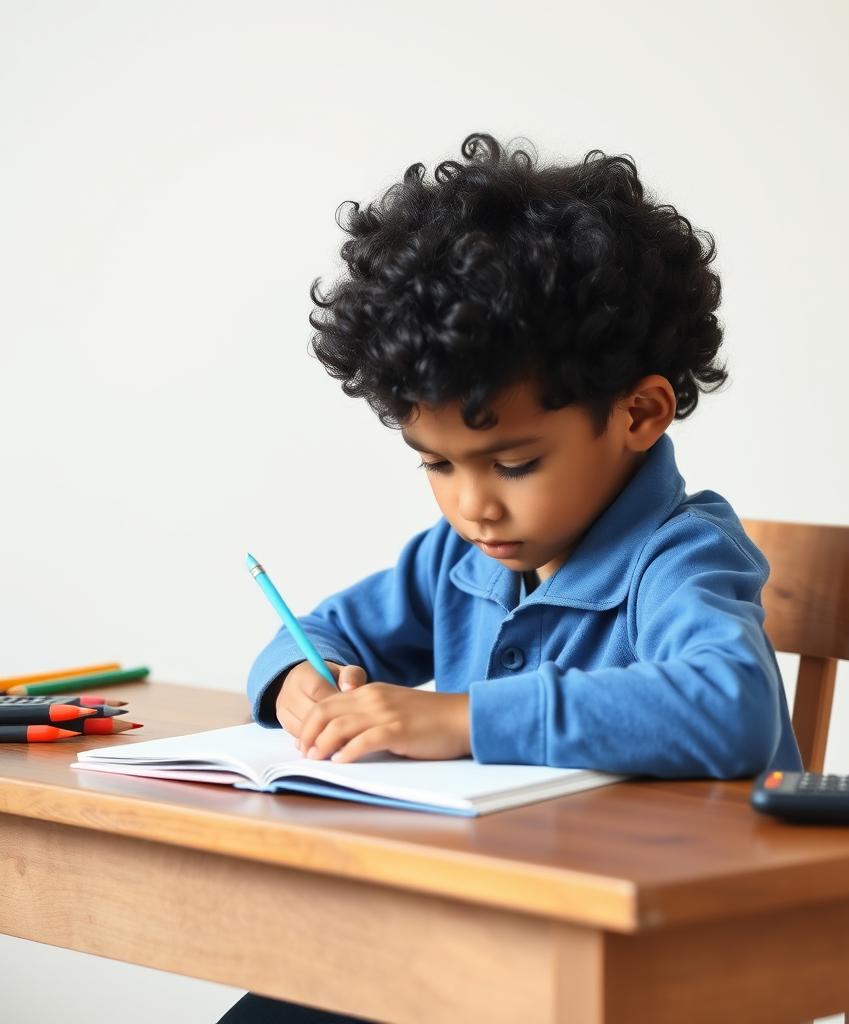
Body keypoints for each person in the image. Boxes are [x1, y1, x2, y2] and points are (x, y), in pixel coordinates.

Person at [217, 131, 802, 1024]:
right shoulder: (459, 560)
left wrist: (457, 720)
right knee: (289, 998)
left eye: (514, 464)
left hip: (667, 964)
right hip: (500, 935)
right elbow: (325, 634)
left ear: (639, 412)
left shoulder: (681, 555)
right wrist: (299, 682)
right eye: (437, 466)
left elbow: (731, 707)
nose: (472, 507)